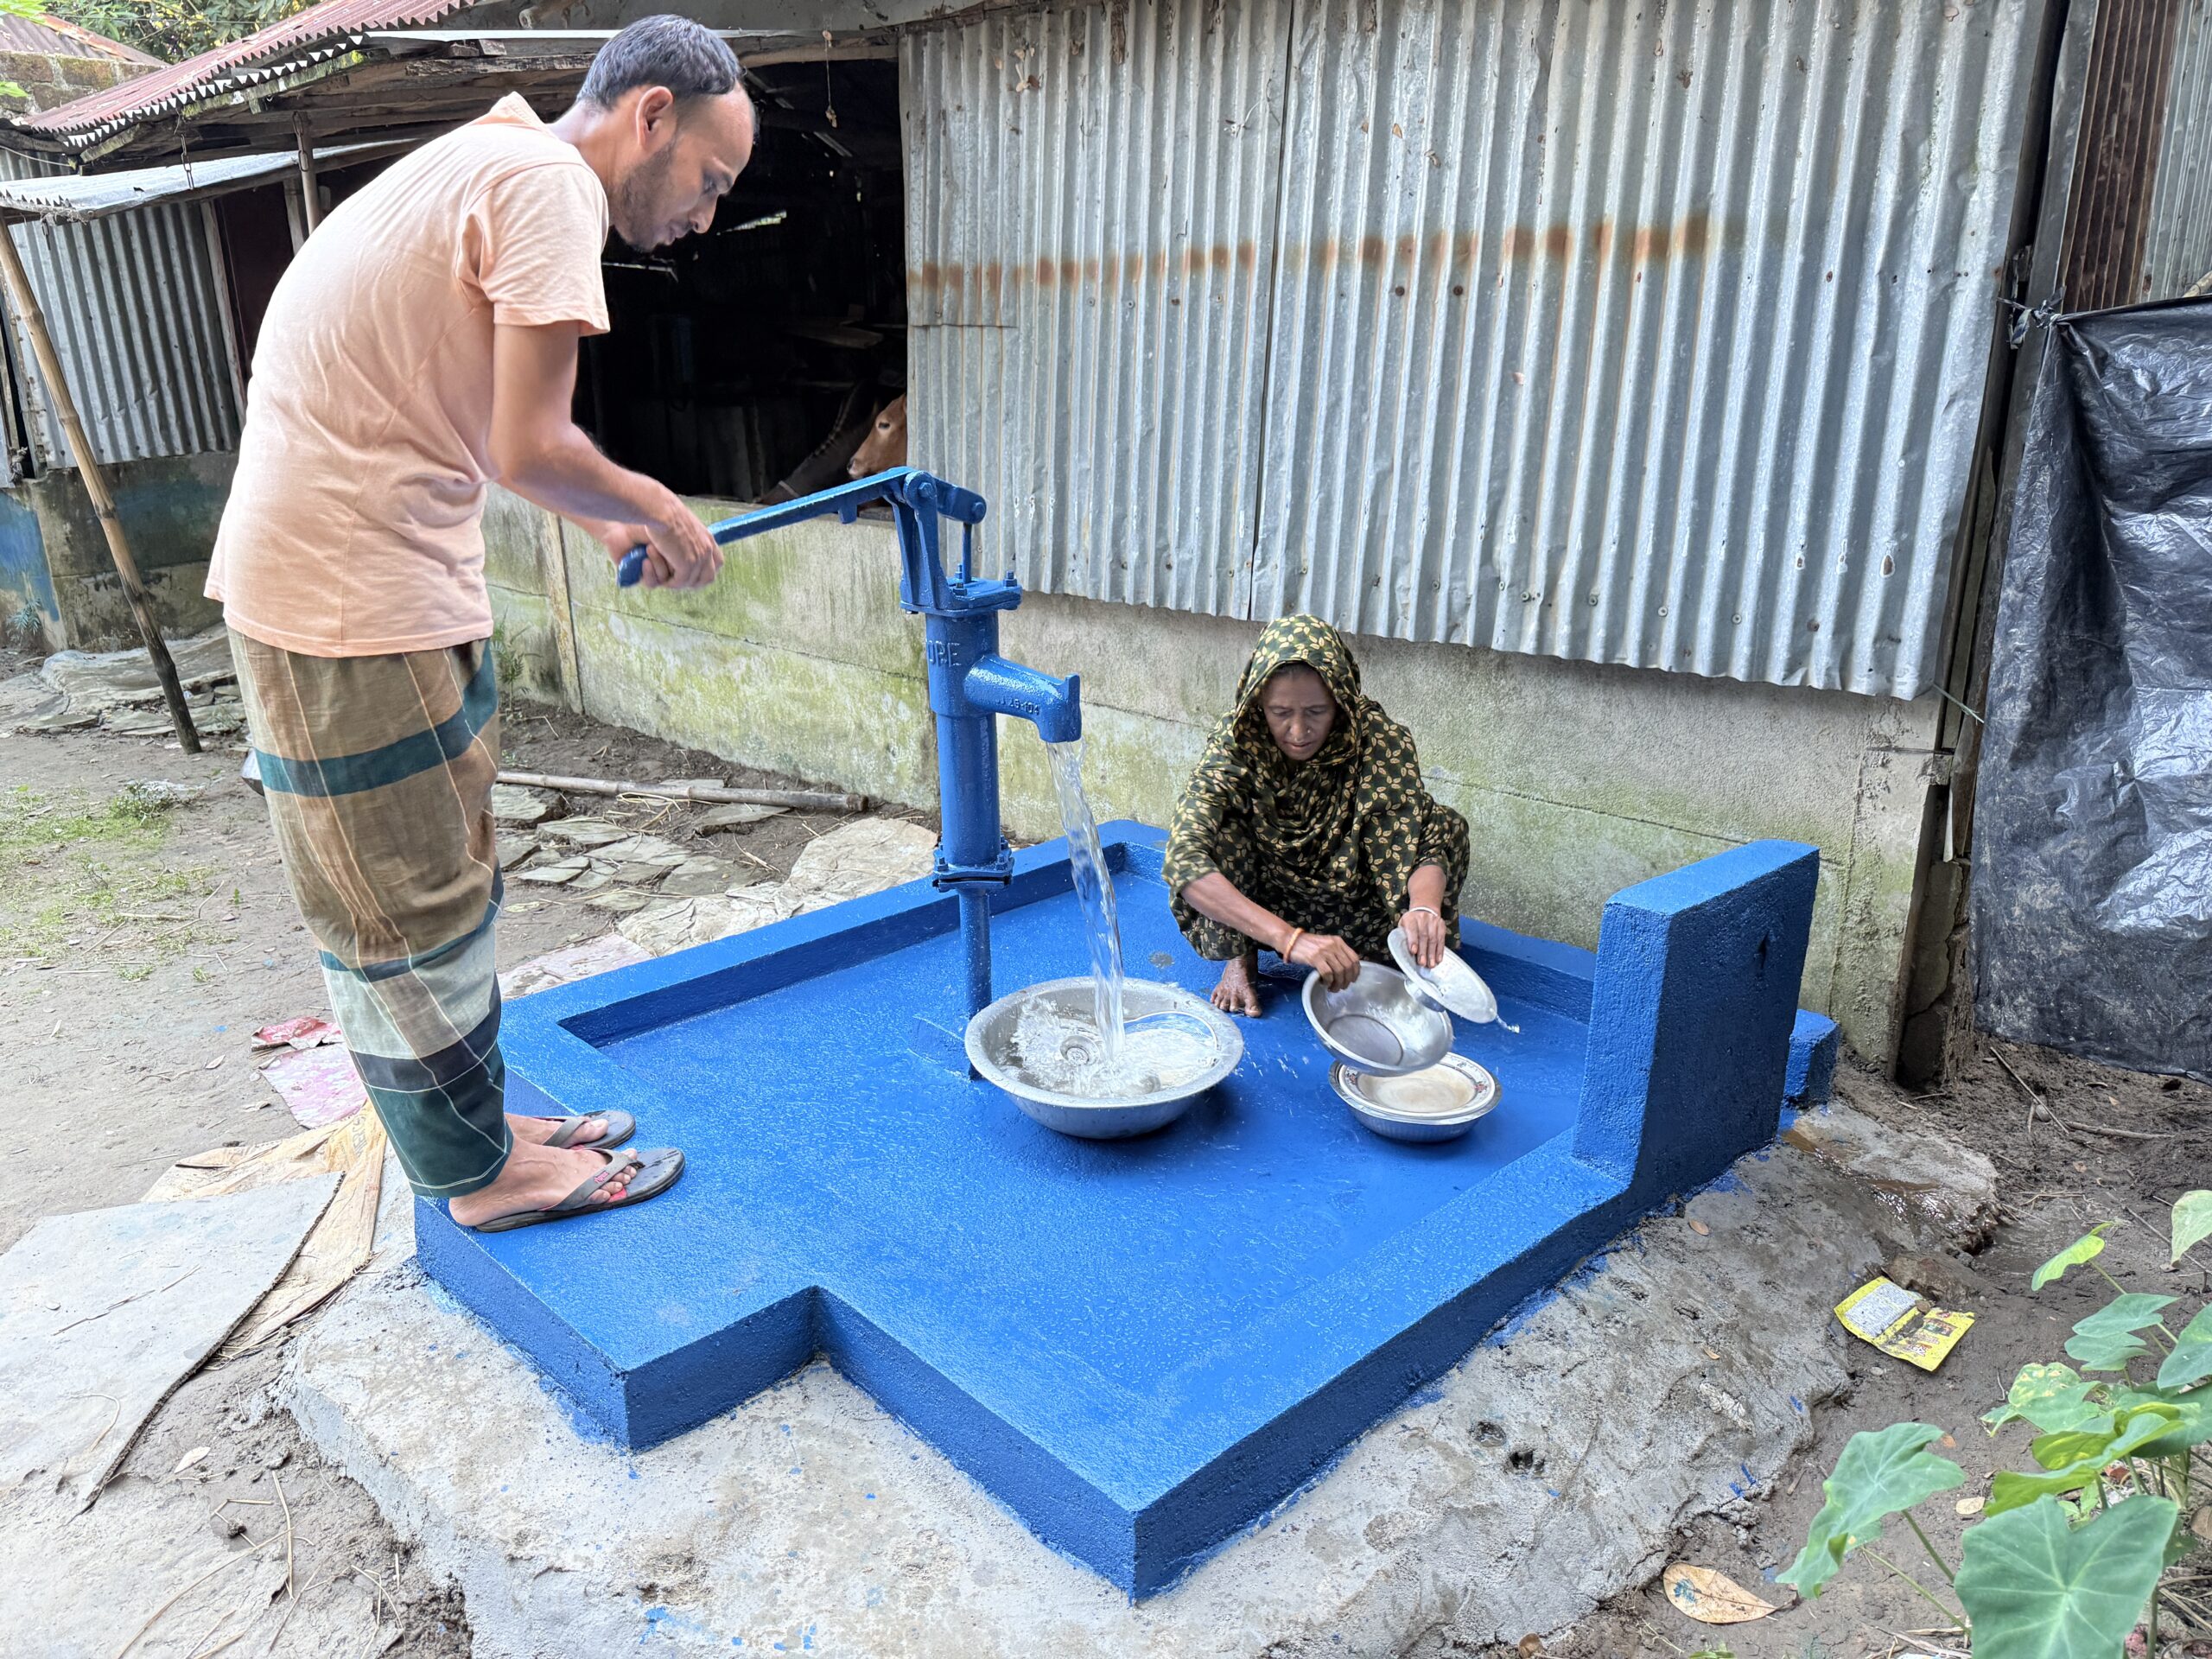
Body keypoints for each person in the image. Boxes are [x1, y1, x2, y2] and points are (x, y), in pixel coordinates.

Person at [207, 16, 754, 1230]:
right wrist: (656, 505)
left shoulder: (486, 163)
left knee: (445, 887)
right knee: (406, 910)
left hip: (362, 581)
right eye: (712, 180)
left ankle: (480, 1125)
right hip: (348, 600)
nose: (708, 217)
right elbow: (531, 440)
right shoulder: (547, 184)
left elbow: (481, 431)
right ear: (650, 117)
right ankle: (482, 1180)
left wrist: (599, 523)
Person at [1163, 614, 1471, 1017]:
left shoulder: (1377, 740)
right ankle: (1241, 958)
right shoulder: (1237, 741)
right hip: (1271, 900)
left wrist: (1424, 908)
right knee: (1219, 833)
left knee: (1443, 824)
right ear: (1258, 703)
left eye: (1316, 711)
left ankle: (1388, 948)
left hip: (1354, 902)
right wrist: (1290, 940)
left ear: (1340, 702)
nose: (1297, 731)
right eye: (1280, 712)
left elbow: (1414, 834)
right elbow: (1184, 860)